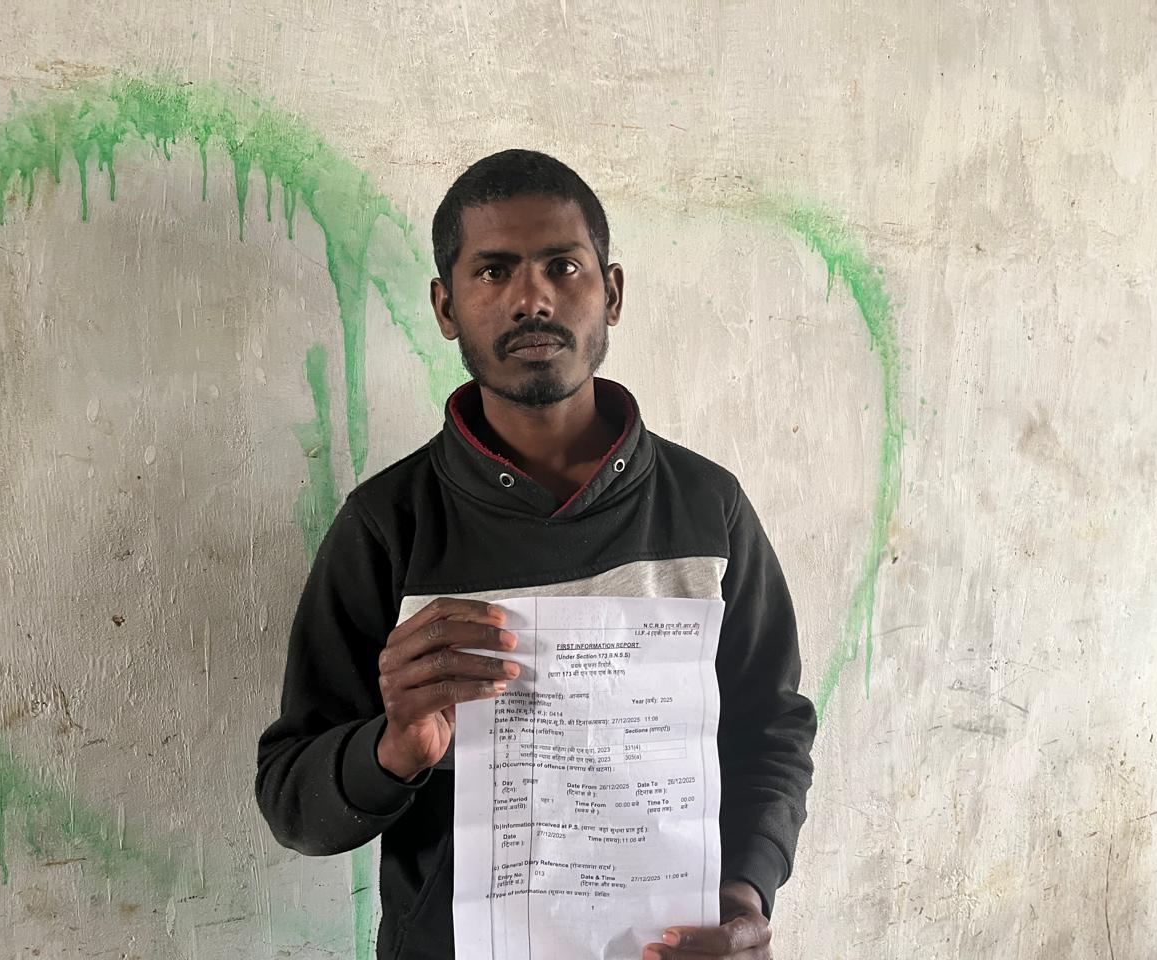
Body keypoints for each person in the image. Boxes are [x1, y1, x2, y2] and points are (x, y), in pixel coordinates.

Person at [255, 149, 816, 960]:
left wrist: (743, 893)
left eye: (563, 265)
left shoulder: (707, 510)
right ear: (446, 307)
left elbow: (770, 729)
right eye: (493, 271)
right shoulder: (389, 526)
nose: (532, 298)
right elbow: (292, 802)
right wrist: (395, 748)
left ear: (611, 292)